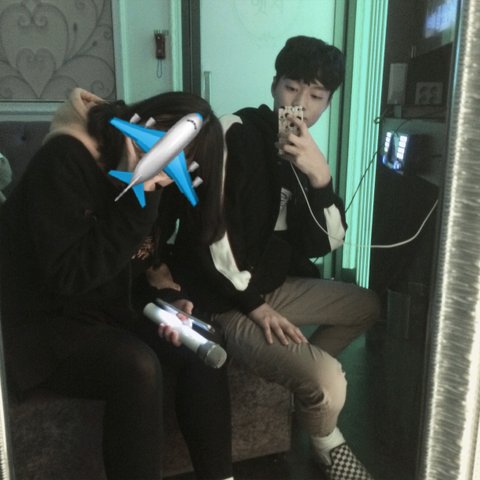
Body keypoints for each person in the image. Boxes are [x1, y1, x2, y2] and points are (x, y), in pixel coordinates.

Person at [165, 36, 380, 480]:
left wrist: (320, 178)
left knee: (366, 305)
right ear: (274, 85)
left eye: (316, 96)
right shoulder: (234, 133)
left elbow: (327, 243)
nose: (300, 105)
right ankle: (324, 438)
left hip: (274, 285)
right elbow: (211, 234)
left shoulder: (305, 154)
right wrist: (254, 307)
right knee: (329, 382)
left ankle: (295, 385)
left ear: (329, 102)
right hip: (225, 299)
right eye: (291, 88)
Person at [0, 87, 234, 480]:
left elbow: (140, 264)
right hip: (41, 322)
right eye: (160, 139)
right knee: (136, 366)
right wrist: (136, 198)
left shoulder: (160, 183)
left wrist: (168, 301)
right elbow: (68, 277)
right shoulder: (66, 160)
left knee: (203, 341)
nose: (163, 161)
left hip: (105, 309)